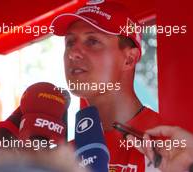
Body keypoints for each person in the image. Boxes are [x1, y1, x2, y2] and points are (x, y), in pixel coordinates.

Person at [50, 1, 162, 171]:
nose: (73, 53)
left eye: (92, 41)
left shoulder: (168, 144)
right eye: (70, 42)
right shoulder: (64, 158)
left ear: (129, 59)